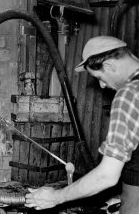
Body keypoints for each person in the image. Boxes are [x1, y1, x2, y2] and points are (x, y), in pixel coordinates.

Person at [25, 36, 139, 214]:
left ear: (109, 66)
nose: (102, 85)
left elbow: (106, 175)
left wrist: (56, 197)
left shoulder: (129, 94)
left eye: (100, 77)